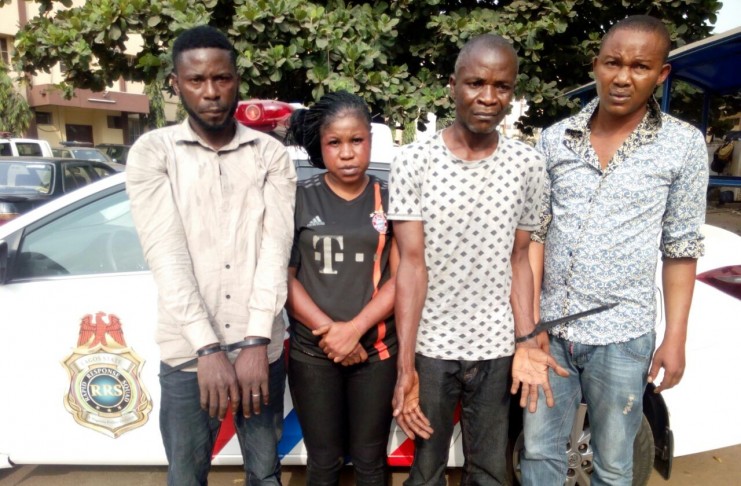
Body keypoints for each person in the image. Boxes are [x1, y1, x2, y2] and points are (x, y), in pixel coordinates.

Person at [521, 15, 708, 485]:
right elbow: (535, 236)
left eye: (640, 67)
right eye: (612, 63)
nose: (623, 77)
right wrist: (531, 326)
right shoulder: (555, 139)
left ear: (661, 74)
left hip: (623, 337)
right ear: (596, 65)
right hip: (551, 335)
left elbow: (681, 248)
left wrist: (675, 338)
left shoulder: (683, 146)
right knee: (539, 453)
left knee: (613, 464)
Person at [388, 34, 568, 485]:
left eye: (501, 86)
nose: (488, 97)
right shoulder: (413, 161)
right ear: (453, 86)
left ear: (512, 92)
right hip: (431, 347)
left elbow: (520, 260)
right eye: (475, 83)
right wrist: (406, 365)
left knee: (490, 470)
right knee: (425, 469)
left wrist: (526, 339)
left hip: (496, 347)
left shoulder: (528, 166)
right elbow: (410, 265)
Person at [126, 25, 296, 486]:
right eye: (196, 80)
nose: (211, 92)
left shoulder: (270, 154)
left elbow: (275, 251)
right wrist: (207, 348)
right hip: (188, 353)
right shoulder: (154, 153)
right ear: (176, 84)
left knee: (264, 474)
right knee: (186, 475)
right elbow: (167, 256)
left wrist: (255, 342)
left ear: (236, 80)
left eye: (221, 78)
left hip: (259, 350)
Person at [284, 90, 399, 486]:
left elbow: (401, 278)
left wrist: (354, 330)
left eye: (357, 140)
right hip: (313, 353)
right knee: (324, 460)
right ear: (321, 145)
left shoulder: (391, 198)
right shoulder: (299, 198)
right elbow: (285, 278)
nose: (347, 153)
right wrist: (332, 334)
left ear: (370, 140)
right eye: (334, 142)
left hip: (376, 352)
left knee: (370, 459)